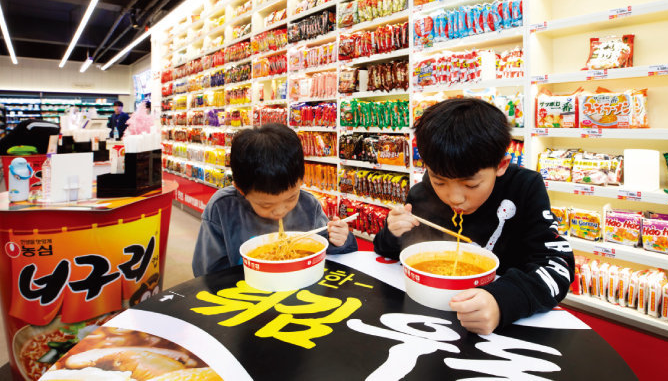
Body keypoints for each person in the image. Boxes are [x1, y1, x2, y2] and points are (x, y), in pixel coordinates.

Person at [374, 98, 574, 335]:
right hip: (429, 319)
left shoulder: (524, 189)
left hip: (500, 325)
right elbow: (387, 250)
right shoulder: (423, 193)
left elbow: (557, 267)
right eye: (440, 181)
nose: (454, 198)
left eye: (470, 184)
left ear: (501, 165)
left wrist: (501, 301)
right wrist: (393, 232)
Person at [192, 123, 357, 276]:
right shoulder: (222, 208)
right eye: (266, 205)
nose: (280, 211)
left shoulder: (309, 205)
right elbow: (207, 271)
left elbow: (329, 251)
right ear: (241, 190)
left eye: (291, 197)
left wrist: (341, 240)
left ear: (301, 181)